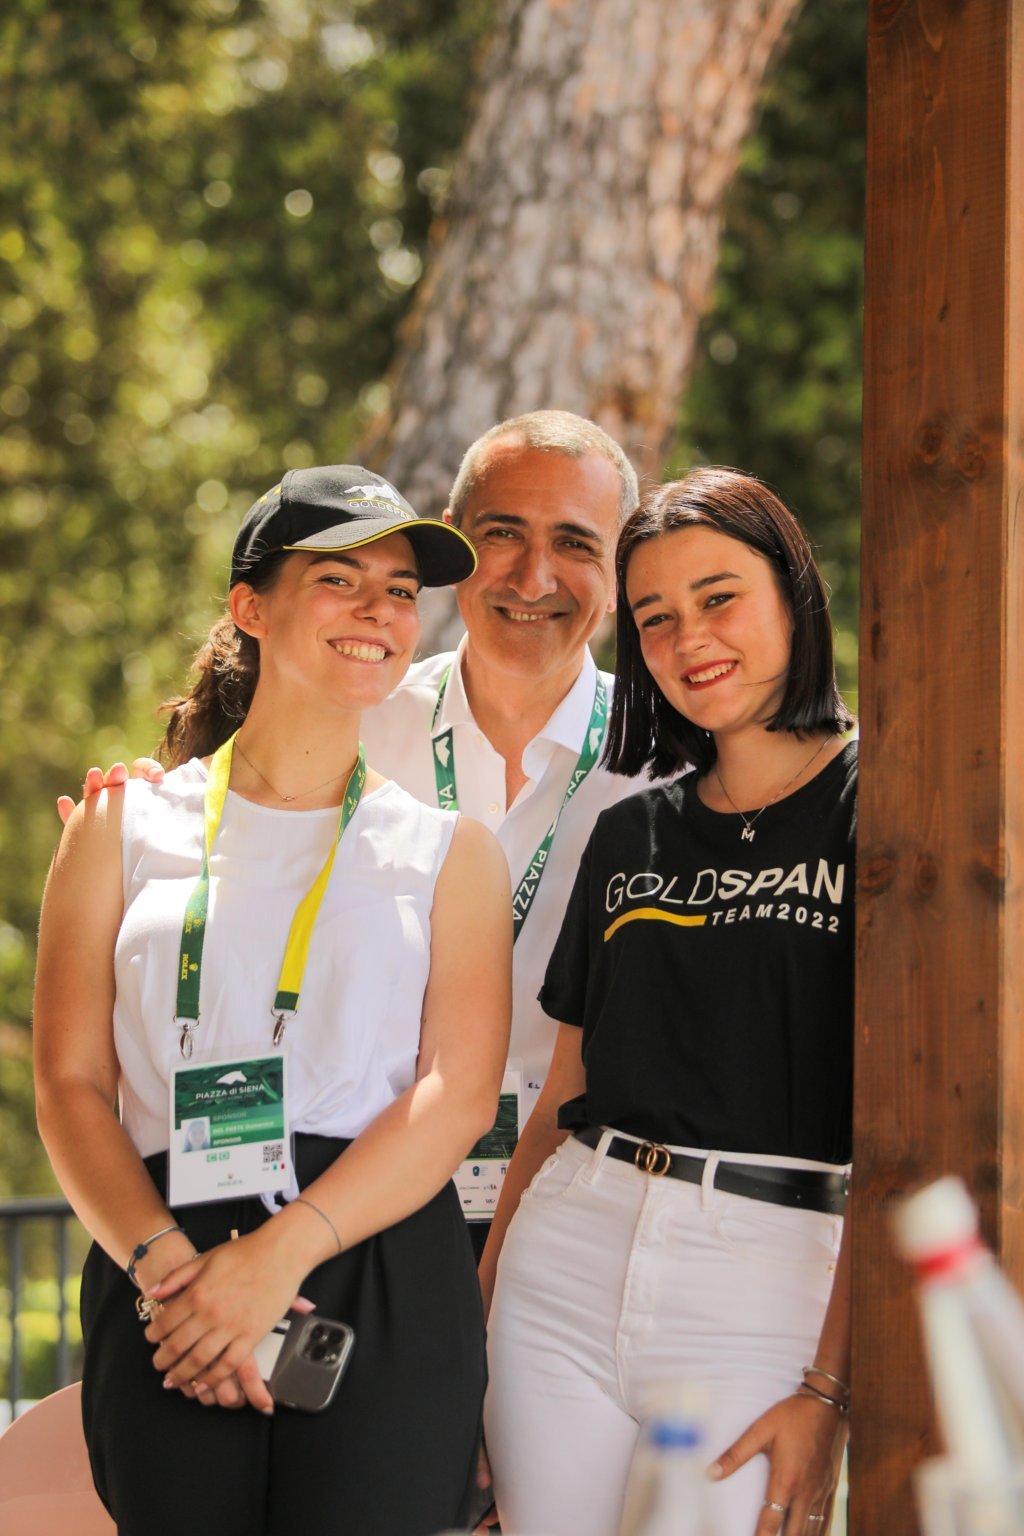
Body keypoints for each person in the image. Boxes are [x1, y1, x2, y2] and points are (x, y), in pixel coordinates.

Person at [34, 466, 512, 1536]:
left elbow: (458, 1094)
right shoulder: (119, 825)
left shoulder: (451, 852)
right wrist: (172, 1273)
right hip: (163, 1267)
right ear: (250, 607)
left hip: (373, 1255)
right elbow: (68, 1085)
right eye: (341, 579)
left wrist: (277, 1258)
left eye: (400, 591)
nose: (379, 612)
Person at [64, 412, 655, 1262]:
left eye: (574, 542)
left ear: (620, 566)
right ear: (456, 542)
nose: (534, 576)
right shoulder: (349, 709)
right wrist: (127, 815)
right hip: (363, 1211)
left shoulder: (677, 769)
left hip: (589, 1217)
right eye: (503, 533)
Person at [479, 467, 856, 1536]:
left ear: (794, 594)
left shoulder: (883, 807)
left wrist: (831, 1390)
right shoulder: (629, 832)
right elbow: (563, 1096)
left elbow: (905, 1133)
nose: (689, 638)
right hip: (564, 1265)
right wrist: (481, 1308)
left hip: (765, 1281)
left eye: (718, 597)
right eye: (654, 617)